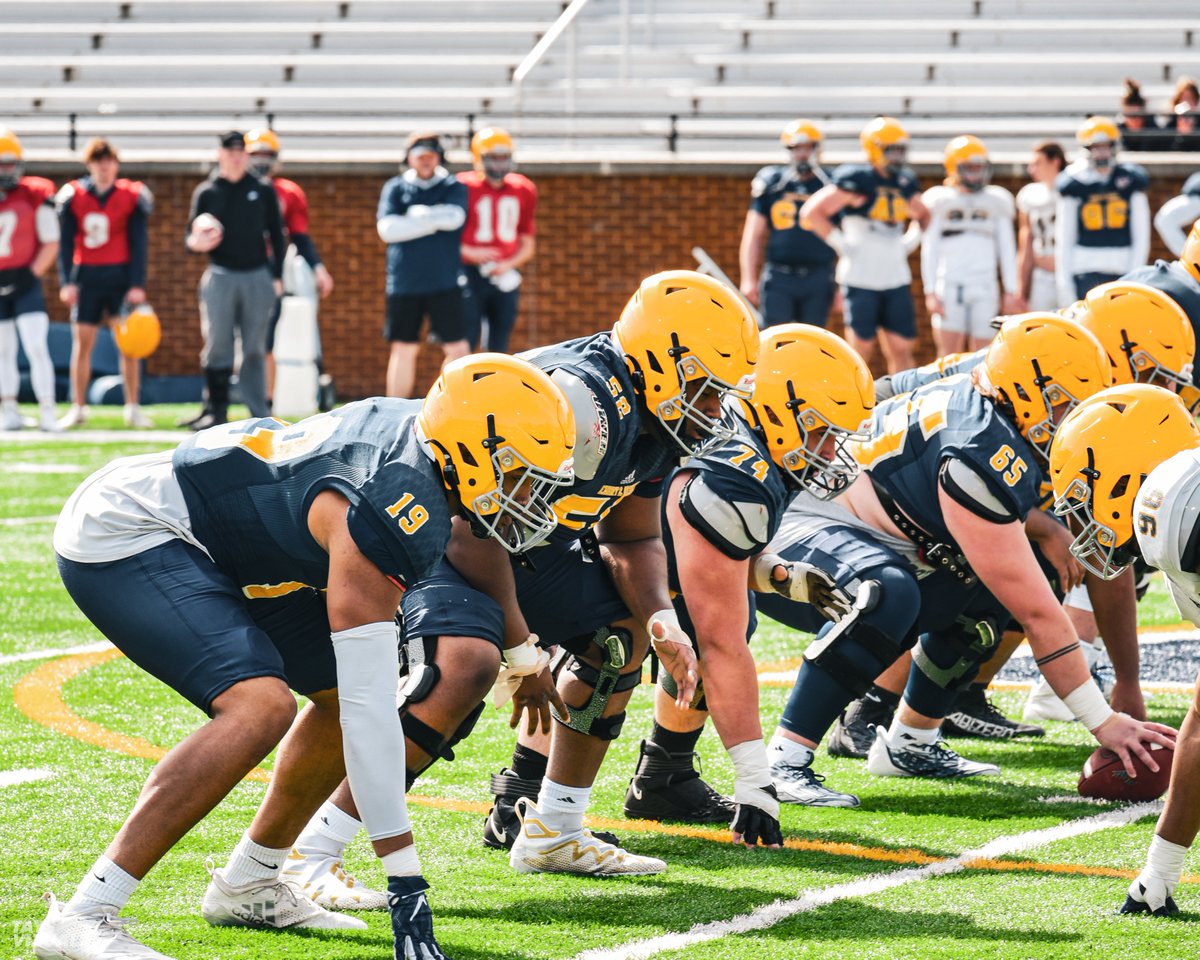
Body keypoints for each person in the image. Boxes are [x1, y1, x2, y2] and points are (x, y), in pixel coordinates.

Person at [32, 352, 577, 960]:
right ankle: (84, 914)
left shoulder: (431, 446)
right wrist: (404, 879)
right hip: (134, 526)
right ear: (473, 453)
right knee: (259, 707)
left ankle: (252, 878)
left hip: (232, 546)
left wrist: (522, 654)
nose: (533, 495)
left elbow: (466, 550)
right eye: (520, 473)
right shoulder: (386, 507)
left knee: (338, 700)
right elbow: (375, 718)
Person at [283, 270, 756, 893]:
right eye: (705, 386)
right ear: (662, 362)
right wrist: (522, 649)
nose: (716, 409)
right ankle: (311, 853)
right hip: (433, 526)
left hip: (518, 541)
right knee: (461, 667)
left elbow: (630, 538)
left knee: (620, 636)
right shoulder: (584, 407)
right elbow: (472, 525)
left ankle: (554, 828)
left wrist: (661, 619)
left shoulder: (654, 421)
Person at [754, 314, 1172, 797]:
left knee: (999, 584)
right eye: (1063, 405)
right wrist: (1104, 723)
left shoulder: (998, 419)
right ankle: (786, 758)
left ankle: (912, 740)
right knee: (889, 591)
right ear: (1031, 394)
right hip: (805, 527)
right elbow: (1039, 616)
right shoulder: (979, 448)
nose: (1071, 421)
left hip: (881, 533)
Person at [622, 324, 872, 824]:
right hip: (582, 551)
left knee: (702, 627)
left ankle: (664, 774)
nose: (828, 451)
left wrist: (779, 575)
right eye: (821, 432)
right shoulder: (739, 475)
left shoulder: (746, 433)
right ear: (781, 412)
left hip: (633, 551)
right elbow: (724, 647)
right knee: (608, 650)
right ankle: (525, 792)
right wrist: (756, 782)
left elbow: (695, 547)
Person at [1045, 383, 1199, 917]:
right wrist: (1159, 873)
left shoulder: (1183, 512)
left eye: (1085, 499)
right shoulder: (1182, 504)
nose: (1079, 524)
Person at [800, 116, 930, 373]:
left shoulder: (904, 182)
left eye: (900, 150)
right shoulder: (857, 178)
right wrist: (840, 242)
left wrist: (910, 241)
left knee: (902, 348)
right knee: (860, 349)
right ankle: (857, 407)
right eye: (891, 150)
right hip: (860, 278)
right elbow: (811, 212)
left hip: (895, 277)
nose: (896, 157)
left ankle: (904, 406)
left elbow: (924, 214)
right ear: (874, 148)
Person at [181, 130, 285, 431]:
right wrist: (197, 243)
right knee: (217, 345)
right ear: (221, 154)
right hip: (220, 275)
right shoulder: (207, 191)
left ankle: (258, 412)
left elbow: (277, 235)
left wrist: (276, 276)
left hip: (257, 276)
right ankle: (216, 411)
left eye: (242, 152)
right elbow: (190, 238)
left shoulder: (263, 189)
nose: (237, 157)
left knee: (255, 347)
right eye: (231, 152)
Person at [55, 138, 154, 430]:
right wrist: (66, 281)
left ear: (116, 164)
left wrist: (137, 282)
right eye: (99, 161)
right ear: (90, 165)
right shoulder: (74, 195)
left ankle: (132, 406)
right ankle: (78, 407)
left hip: (120, 276)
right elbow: (64, 244)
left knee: (128, 344)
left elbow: (139, 242)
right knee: (82, 343)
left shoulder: (129, 194)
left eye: (109, 160)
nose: (104, 166)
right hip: (86, 275)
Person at [243, 128, 334, 403]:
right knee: (233, 342)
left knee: (266, 341)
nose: (260, 161)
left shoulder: (287, 192)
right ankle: (224, 400)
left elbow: (300, 236)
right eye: (255, 154)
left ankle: (265, 401)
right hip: (237, 271)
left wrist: (318, 268)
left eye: (266, 155)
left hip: (271, 274)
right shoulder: (234, 187)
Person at [377, 131, 469, 398]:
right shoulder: (395, 187)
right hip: (405, 284)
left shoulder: (453, 186)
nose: (426, 162)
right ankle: (394, 408)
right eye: (420, 157)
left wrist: (416, 217)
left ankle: (445, 406)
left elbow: (455, 218)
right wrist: (433, 221)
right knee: (404, 349)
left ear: (439, 158)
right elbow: (388, 230)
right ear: (409, 158)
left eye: (431, 156)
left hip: (445, 282)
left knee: (458, 349)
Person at [920, 135, 1021, 357]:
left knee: (985, 355)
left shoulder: (996, 200)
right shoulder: (939, 199)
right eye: (969, 168)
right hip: (949, 285)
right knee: (947, 356)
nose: (975, 174)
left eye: (978, 168)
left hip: (985, 285)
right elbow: (930, 248)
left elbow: (1007, 248)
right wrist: (930, 291)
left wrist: (1011, 290)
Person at [738, 119, 836, 328]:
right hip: (779, 275)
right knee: (774, 340)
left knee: (813, 342)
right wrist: (748, 277)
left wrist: (842, 284)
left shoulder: (830, 184)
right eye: (796, 148)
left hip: (818, 275)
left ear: (817, 149)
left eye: (807, 147)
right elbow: (753, 235)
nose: (802, 154)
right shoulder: (773, 182)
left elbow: (847, 235)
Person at [0, 128, 59, 432]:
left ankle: (47, 410)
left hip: (25, 279)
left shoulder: (34, 193)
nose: (5, 170)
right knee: (3, 350)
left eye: (9, 163)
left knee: (36, 346)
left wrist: (30, 275)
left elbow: (51, 241)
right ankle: (9, 409)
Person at [1055, 116, 1150, 306]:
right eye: (1096, 147)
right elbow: (1064, 238)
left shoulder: (1131, 180)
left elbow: (1141, 235)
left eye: (1106, 146)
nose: (1102, 153)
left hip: (1123, 268)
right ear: (1086, 150)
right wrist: (1064, 285)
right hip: (1085, 268)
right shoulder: (1074, 182)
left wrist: (1135, 275)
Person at [458, 126, 537, 353]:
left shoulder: (524, 188)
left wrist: (507, 265)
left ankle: (491, 388)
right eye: (493, 158)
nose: (499, 164)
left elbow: (528, 243)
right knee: (462, 344)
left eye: (504, 158)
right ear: (478, 158)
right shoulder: (461, 187)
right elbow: (445, 239)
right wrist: (471, 253)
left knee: (499, 346)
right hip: (469, 273)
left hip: (504, 274)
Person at [1016, 141, 1068, 312]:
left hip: (1069, 272)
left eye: (1038, 163)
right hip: (1042, 275)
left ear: (1055, 162)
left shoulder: (1073, 190)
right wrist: (1021, 289)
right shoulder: (1029, 195)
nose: (1032, 169)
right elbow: (1026, 243)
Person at [1153, 171, 1200, 257]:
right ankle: (1188, 257)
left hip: (1196, 200)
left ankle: (1189, 257)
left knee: (1164, 220)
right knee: (1163, 220)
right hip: (1191, 198)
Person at [1117, 78, 1164, 152]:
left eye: (1137, 115)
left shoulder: (1154, 130)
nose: (1134, 120)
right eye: (1130, 115)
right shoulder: (1118, 130)